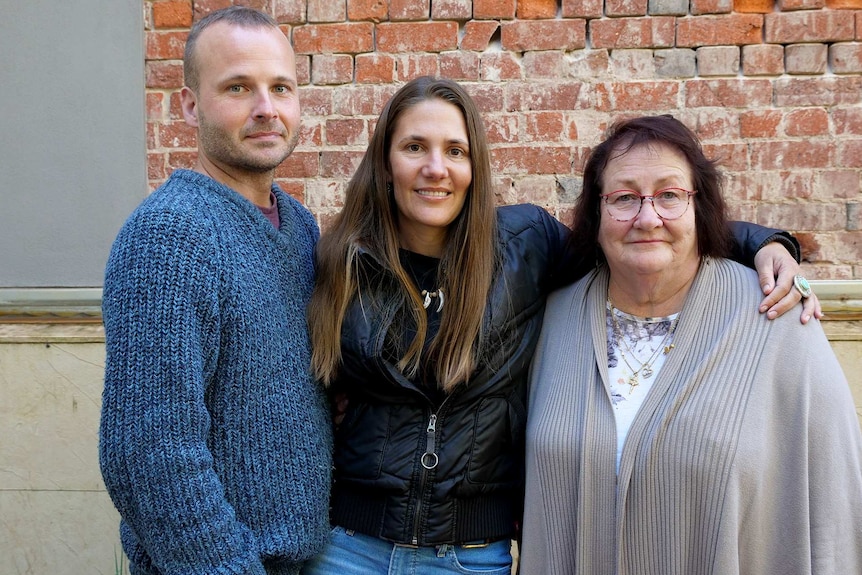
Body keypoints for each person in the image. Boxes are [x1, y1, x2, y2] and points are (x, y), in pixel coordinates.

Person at [302, 77, 816, 575]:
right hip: (349, 545)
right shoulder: (343, 261)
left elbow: (636, 234)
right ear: (386, 164)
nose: (436, 168)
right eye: (415, 147)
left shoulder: (525, 245)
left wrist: (766, 243)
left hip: (470, 555)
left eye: (455, 151)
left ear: (475, 166)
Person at [520, 115, 862, 574]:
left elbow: (835, 501)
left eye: (669, 195)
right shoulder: (554, 319)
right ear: (596, 215)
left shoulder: (778, 317)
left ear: (699, 207)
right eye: (624, 197)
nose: (647, 217)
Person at [99, 7, 332, 575]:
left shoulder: (299, 227)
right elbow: (149, 458)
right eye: (238, 87)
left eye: (281, 87)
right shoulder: (171, 237)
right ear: (189, 104)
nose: (266, 109)